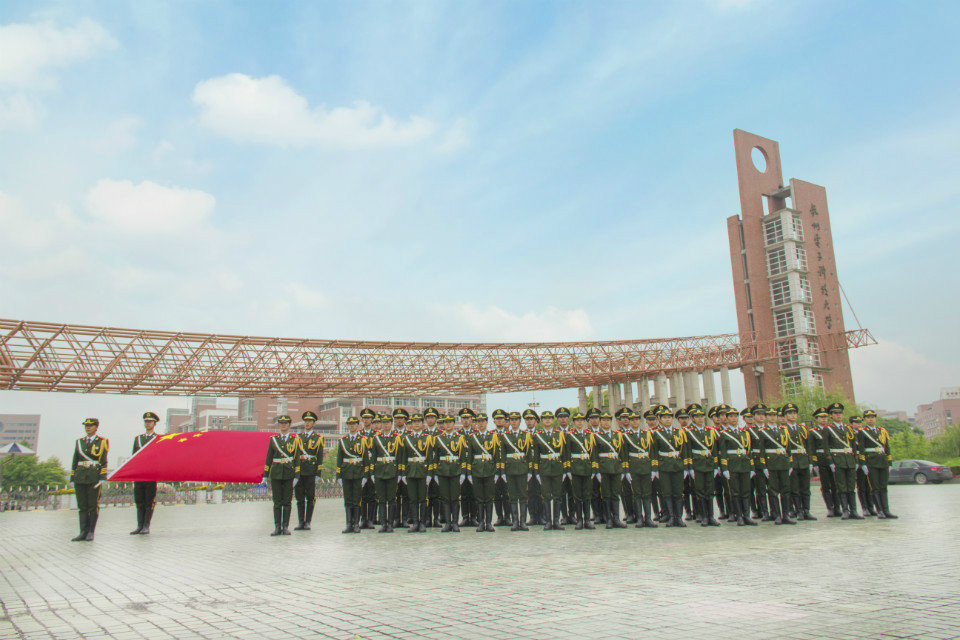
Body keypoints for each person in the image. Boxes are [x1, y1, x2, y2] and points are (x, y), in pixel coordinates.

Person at [820, 402, 863, 520]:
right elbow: (826, 447)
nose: (838, 415)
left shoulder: (848, 429)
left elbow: (853, 446)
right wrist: (831, 462)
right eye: (835, 413)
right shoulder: (828, 429)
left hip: (849, 460)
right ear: (831, 416)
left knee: (851, 486)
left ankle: (854, 510)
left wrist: (855, 460)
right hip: (837, 460)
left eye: (840, 413)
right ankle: (845, 510)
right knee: (841, 487)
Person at [755, 404, 795, 525]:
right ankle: (777, 515)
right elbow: (761, 451)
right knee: (773, 491)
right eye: (770, 415)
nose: (773, 418)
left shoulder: (784, 430)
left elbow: (788, 448)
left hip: (783, 462)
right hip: (771, 463)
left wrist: (790, 463)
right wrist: (764, 466)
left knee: (785, 489)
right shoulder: (763, 431)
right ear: (767, 417)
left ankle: (786, 515)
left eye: (775, 415)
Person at [262, 415, 302, 536]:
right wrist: (265, 475)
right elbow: (269, 458)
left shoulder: (295, 440)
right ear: (279, 425)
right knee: (277, 501)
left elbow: (297, 459)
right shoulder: (273, 440)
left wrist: (297, 476)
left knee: (287, 501)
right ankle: (277, 527)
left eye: (286, 423)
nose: (283, 425)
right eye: (281, 423)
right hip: (276, 474)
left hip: (289, 474)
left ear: (289, 425)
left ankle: (285, 527)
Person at [71, 418, 108, 541]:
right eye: (86, 426)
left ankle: (91, 532)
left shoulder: (102, 441)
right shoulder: (79, 442)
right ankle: (82, 531)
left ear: (96, 427)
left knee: (92, 505)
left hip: (94, 476)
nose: (88, 428)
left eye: (90, 425)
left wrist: (102, 477)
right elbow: (75, 460)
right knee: (82, 506)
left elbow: (103, 461)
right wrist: (72, 477)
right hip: (80, 476)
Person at [717, 408, 756, 526]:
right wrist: (724, 469)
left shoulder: (745, 433)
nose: (734, 419)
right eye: (731, 417)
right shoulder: (724, 434)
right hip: (732, 465)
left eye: (735, 416)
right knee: (735, 491)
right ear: (727, 419)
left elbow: (748, 452)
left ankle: (747, 516)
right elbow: (722, 452)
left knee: (746, 491)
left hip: (744, 465)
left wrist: (752, 467)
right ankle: (738, 515)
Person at [652, 405, 689, 527]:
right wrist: (655, 469)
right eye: (664, 418)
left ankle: (679, 517)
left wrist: (686, 467)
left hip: (677, 465)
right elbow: (654, 452)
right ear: (660, 420)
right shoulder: (656, 434)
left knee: (678, 492)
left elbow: (684, 451)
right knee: (667, 492)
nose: (667, 420)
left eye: (669, 417)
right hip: (664, 466)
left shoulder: (679, 432)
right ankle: (671, 517)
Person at [857, 409, 898, 519]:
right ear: (865, 419)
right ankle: (879, 510)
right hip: (871, 462)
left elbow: (887, 447)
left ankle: (886, 510)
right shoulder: (862, 432)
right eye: (868, 417)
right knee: (875, 487)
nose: (870, 419)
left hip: (883, 461)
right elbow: (861, 449)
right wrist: (863, 464)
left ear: (875, 418)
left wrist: (889, 462)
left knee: (883, 487)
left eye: (872, 417)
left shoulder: (882, 431)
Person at [684, 404, 721, 526]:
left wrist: (716, 466)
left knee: (710, 490)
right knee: (700, 491)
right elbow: (687, 451)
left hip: (709, 464)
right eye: (697, 417)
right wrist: (689, 467)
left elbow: (714, 450)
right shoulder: (689, 432)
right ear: (692, 418)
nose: (700, 419)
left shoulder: (710, 431)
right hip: (697, 464)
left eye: (701, 416)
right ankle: (703, 515)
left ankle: (711, 516)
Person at [532, 409, 567, 530]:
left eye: (550, 418)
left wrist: (565, 469)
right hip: (544, 468)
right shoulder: (538, 436)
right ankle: (548, 521)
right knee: (546, 495)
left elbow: (564, 454)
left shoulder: (560, 434)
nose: (547, 420)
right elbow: (536, 456)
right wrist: (536, 472)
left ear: (553, 420)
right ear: (541, 421)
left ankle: (556, 521)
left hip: (557, 467)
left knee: (557, 495)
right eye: (545, 418)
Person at [592, 409, 627, 528]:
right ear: (600, 422)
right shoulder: (596, 436)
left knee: (615, 493)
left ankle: (616, 518)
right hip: (604, 468)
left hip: (616, 467)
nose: (606, 423)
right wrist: (596, 471)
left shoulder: (618, 435)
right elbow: (594, 455)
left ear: (611, 422)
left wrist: (623, 469)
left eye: (608, 420)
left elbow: (622, 453)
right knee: (606, 494)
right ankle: (608, 519)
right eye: (604, 420)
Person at [622, 409, 657, 527]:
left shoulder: (647, 434)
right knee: (636, 493)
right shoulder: (625, 436)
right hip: (634, 467)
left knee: (647, 493)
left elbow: (652, 452)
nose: (634, 422)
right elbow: (624, 455)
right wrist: (626, 471)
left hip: (646, 466)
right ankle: (639, 518)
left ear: (639, 421)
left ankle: (648, 518)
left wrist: (654, 468)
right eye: (632, 420)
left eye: (636, 420)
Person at [465, 411, 499, 531]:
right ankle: (481, 523)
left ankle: (488, 523)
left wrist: (496, 471)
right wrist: (469, 473)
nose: (481, 423)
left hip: (489, 470)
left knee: (489, 498)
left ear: (486, 422)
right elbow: (469, 456)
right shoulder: (472, 437)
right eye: (478, 421)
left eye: (483, 421)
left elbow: (496, 455)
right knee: (479, 498)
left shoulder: (493, 436)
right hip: (477, 470)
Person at [433, 415, 467, 532]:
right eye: (445, 422)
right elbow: (436, 458)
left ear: (454, 424)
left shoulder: (460, 438)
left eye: (450, 422)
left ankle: (455, 522)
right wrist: (436, 473)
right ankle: (447, 523)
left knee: (455, 498)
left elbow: (463, 457)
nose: (447, 424)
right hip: (442, 471)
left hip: (455, 471)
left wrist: (462, 472)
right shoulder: (438, 438)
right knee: (445, 498)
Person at [370, 409, 403, 533]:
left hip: (392, 471)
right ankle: (383, 523)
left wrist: (400, 473)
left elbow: (400, 456)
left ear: (391, 424)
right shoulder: (376, 438)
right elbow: (373, 456)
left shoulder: (397, 438)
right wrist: (373, 472)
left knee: (391, 499)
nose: (386, 425)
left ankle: (390, 523)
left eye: (388, 422)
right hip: (379, 471)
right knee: (381, 499)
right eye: (384, 423)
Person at [399, 413, 432, 532]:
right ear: (411, 424)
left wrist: (429, 473)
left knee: (423, 498)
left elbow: (429, 457)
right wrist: (403, 473)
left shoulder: (428, 437)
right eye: (414, 421)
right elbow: (403, 457)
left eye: (419, 421)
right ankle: (415, 523)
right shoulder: (406, 438)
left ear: (422, 423)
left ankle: (422, 523)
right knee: (412, 499)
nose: (417, 423)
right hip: (411, 471)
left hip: (423, 471)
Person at [501, 410, 534, 531]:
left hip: (522, 468)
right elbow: (503, 456)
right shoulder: (505, 436)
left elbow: (529, 455)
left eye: (516, 420)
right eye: (512, 420)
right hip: (510, 470)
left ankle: (523, 522)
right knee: (513, 496)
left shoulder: (526, 435)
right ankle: (515, 522)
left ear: (520, 421)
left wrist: (530, 470)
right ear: (509, 422)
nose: (514, 422)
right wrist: (503, 472)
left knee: (523, 496)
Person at [784, 404, 816, 521]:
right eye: (789, 413)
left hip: (803, 461)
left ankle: (806, 510)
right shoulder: (783, 429)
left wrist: (810, 461)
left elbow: (809, 446)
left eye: (794, 413)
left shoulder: (802, 428)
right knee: (795, 488)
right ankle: (798, 511)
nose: (792, 415)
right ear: (785, 416)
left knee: (805, 487)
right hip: (792, 461)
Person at [337, 416, 369, 533]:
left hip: (358, 472)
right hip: (346, 472)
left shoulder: (363, 440)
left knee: (357, 499)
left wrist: (366, 475)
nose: (351, 426)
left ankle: (356, 524)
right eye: (349, 424)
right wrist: (338, 475)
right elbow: (339, 459)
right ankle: (348, 524)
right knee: (348, 499)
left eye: (354, 424)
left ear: (357, 426)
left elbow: (366, 459)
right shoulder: (343, 440)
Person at [565, 411, 596, 529]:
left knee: (587, 494)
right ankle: (579, 520)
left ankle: (587, 520)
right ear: (573, 422)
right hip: (575, 467)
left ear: (584, 422)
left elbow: (593, 453)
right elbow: (567, 453)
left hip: (587, 467)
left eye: (581, 420)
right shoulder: (569, 435)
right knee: (577, 495)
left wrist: (594, 468)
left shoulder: (589, 435)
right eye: (577, 420)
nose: (579, 422)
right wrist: (568, 469)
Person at [294, 411, 324, 531]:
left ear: (314, 423)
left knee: (310, 497)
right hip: (300, 471)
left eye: (310, 421)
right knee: (299, 497)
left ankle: (308, 522)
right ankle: (301, 521)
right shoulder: (298, 437)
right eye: (306, 421)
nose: (307, 423)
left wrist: (318, 473)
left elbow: (320, 457)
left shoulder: (318, 438)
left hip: (311, 472)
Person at [130, 411, 159, 535]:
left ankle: (146, 525)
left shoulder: (158, 439)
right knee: (139, 501)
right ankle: (139, 525)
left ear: (154, 423)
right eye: (146, 422)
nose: (148, 423)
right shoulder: (138, 439)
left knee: (149, 501)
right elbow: (134, 457)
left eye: (150, 422)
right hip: (139, 474)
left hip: (151, 474)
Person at [809, 407, 840, 516]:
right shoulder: (813, 432)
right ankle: (830, 508)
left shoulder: (832, 429)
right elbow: (811, 449)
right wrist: (814, 463)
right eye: (821, 417)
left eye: (825, 417)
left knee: (835, 484)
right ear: (816, 419)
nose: (824, 419)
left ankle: (837, 507)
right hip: (821, 460)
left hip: (833, 458)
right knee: (826, 485)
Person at [850, 416, 876, 516]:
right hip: (857, 461)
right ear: (852, 424)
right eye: (856, 423)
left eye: (860, 423)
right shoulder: (850, 434)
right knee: (861, 486)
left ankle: (871, 507)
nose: (859, 425)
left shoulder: (865, 433)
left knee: (869, 485)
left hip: (866, 460)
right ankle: (864, 507)